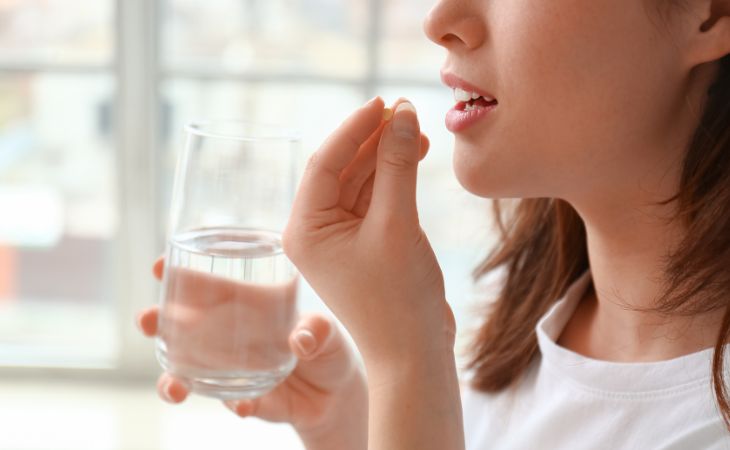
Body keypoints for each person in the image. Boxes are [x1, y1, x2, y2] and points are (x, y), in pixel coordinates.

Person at [137, 0, 730, 448]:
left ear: (709, 15)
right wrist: (351, 415)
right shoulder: (530, 322)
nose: (441, 18)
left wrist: (407, 360)